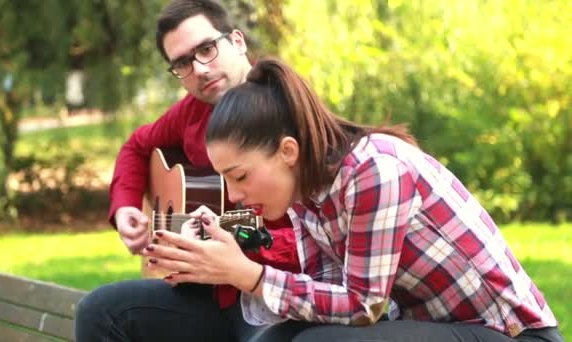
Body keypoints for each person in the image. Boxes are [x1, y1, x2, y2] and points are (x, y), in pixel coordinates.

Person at [142, 58, 564, 342]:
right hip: (433, 326)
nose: (232, 195)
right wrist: (225, 246)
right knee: (277, 338)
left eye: (240, 176)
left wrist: (248, 274)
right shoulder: (304, 194)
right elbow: (325, 295)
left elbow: (363, 306)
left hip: (506, 333)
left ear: (288, 151)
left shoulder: (374, 170)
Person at [75, 1, 300, 341]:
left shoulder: (289, 112)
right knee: (99, 311)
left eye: (207, 49)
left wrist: (228, 239)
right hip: (208, 294)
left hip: (274, 294)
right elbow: (137, 146)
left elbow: (318, 235)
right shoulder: (190, 112)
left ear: (237, 42)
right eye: (182, 63)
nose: (199, 69)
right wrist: (126, 208)